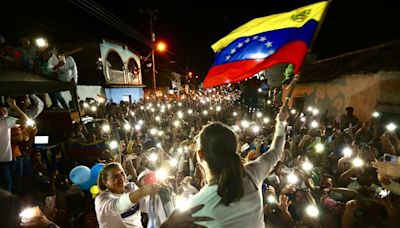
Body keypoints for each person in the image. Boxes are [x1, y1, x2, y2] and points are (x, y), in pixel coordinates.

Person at [186, 107, 288, 227]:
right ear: (236, 148)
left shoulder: (196, 206)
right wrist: (281, 122)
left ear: (200, 155)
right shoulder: (252, 174)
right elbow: (276, 151)